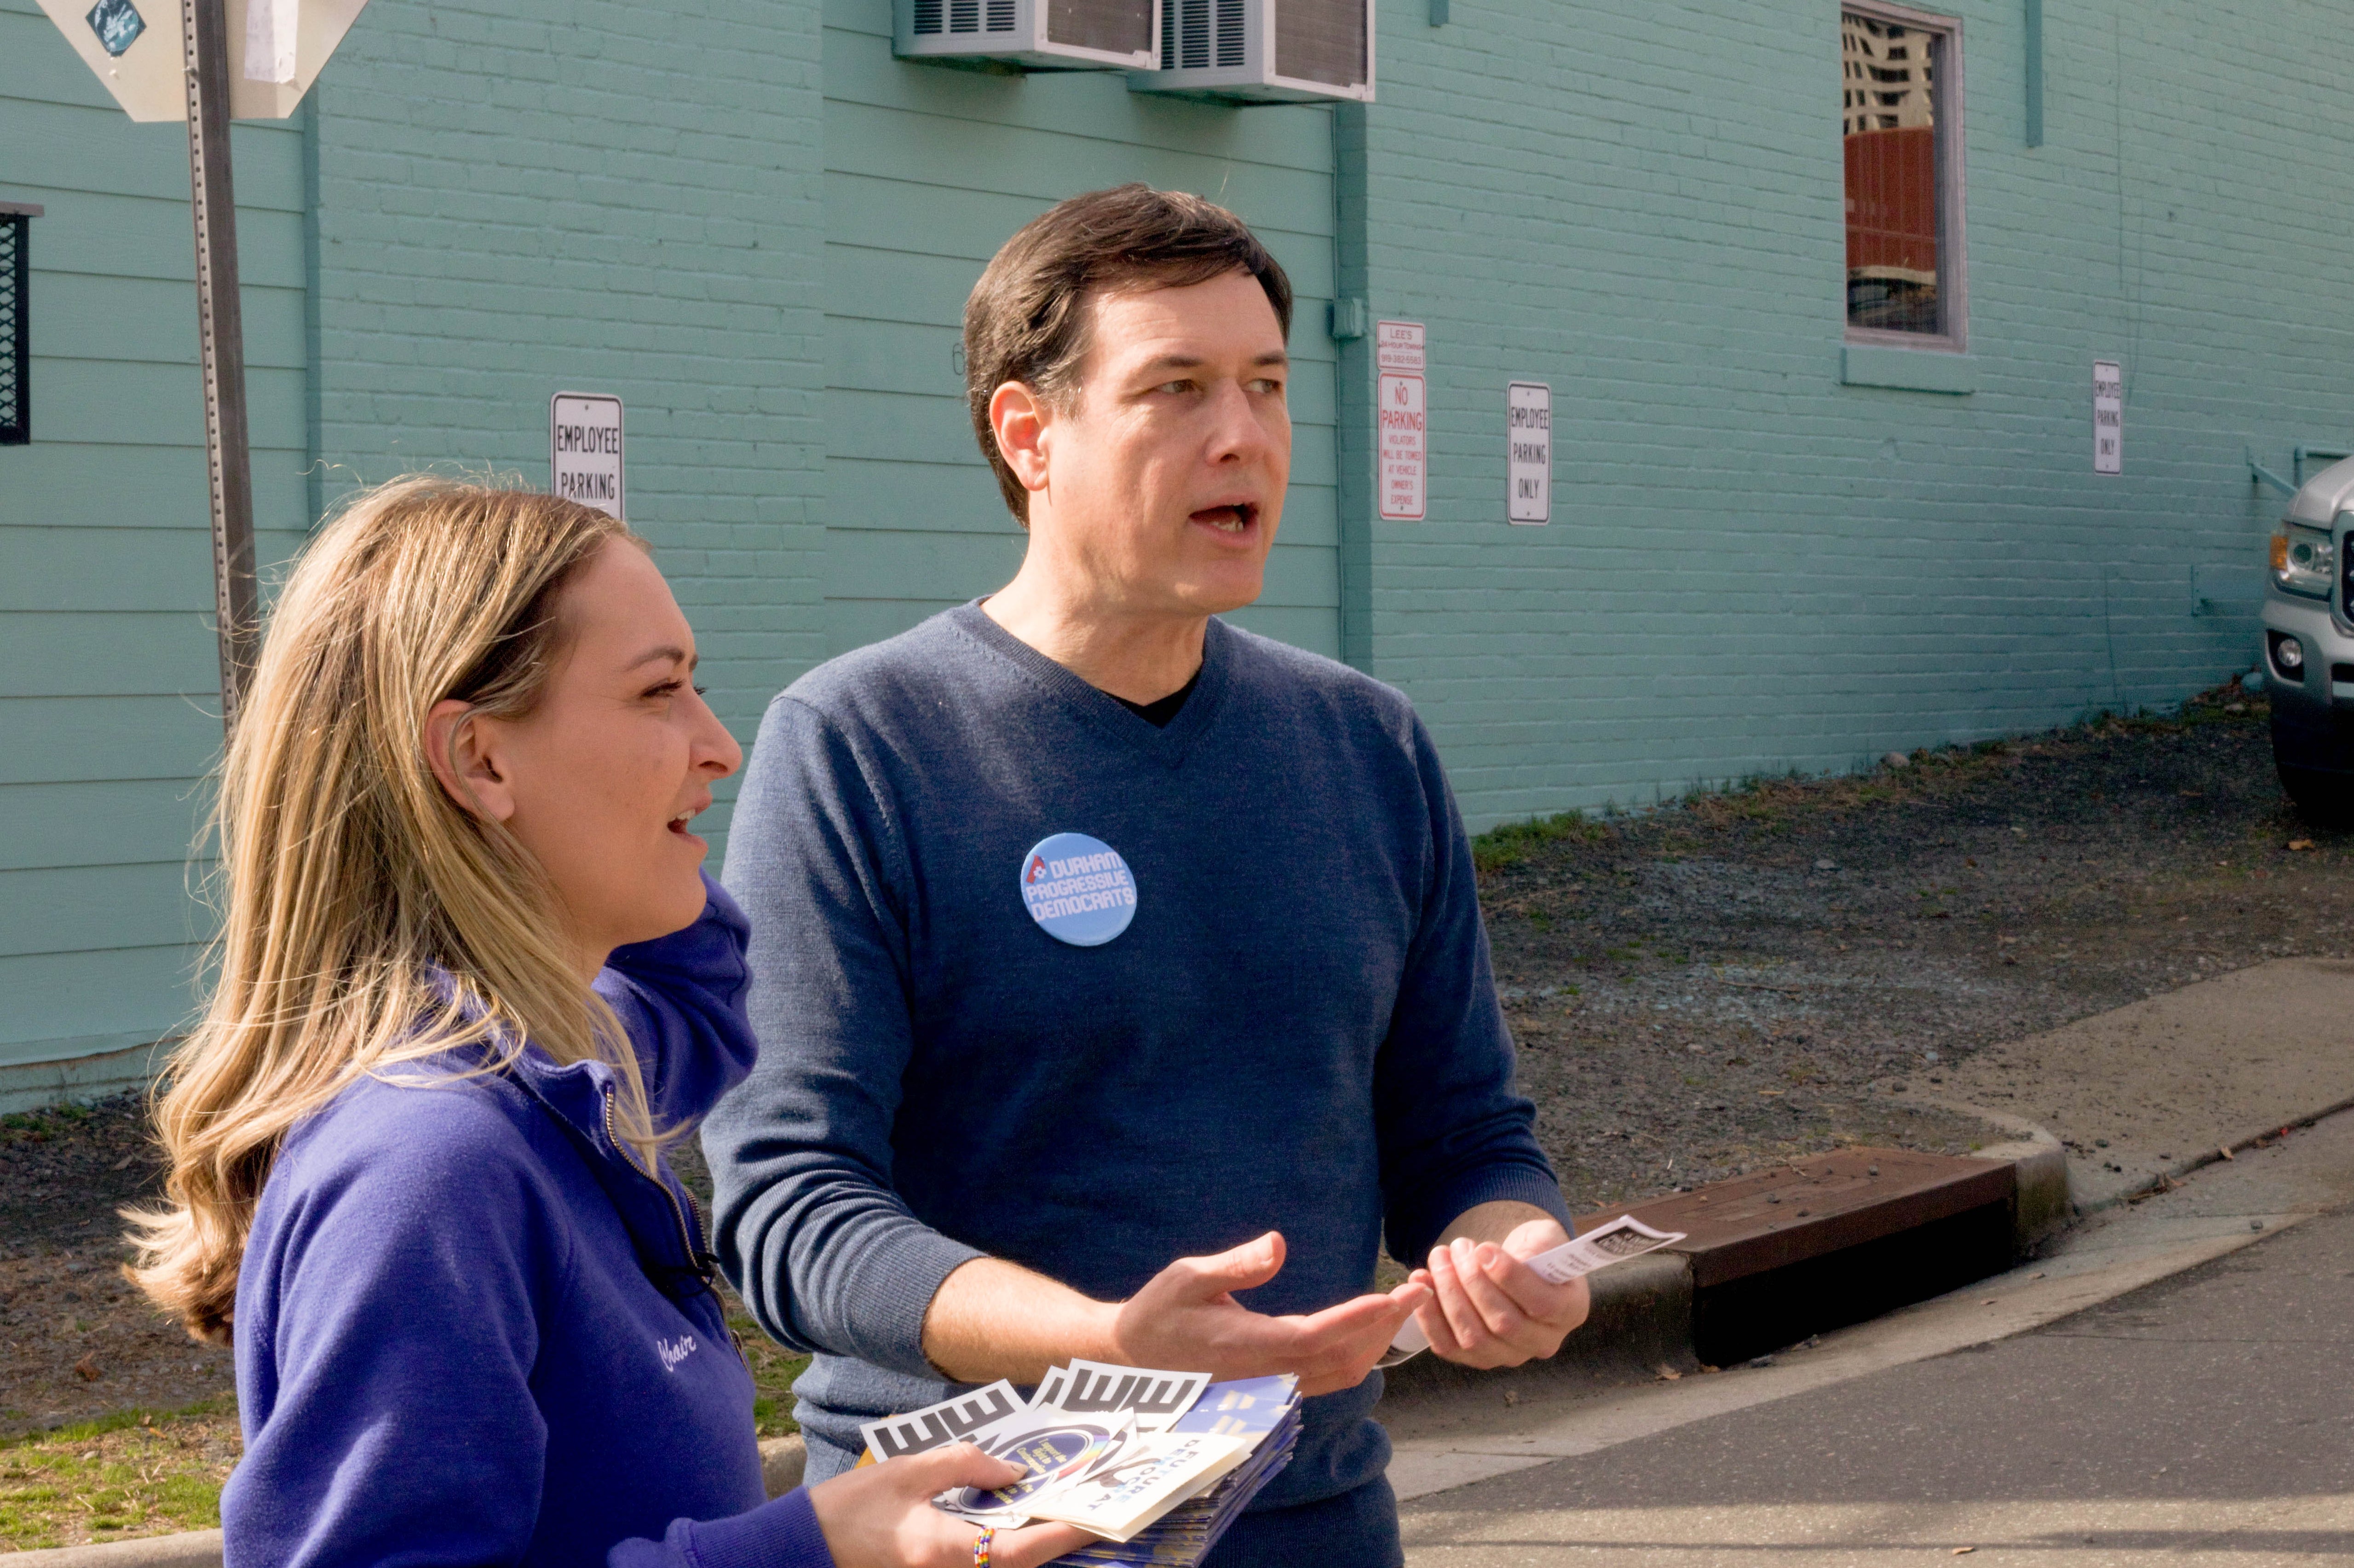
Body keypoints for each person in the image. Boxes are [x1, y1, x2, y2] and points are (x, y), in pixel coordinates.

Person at [706, 185, 1591, 1566]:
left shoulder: (1364, 743)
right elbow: (788, 1207)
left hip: (1310, 1519)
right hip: (975, 1525)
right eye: (1172, 389)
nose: (1239, 435)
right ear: (1028, 434)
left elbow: (1465, 1138)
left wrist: (1511, 1255)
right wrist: (1112, 1342)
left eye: (1264, 385)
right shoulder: (860, 745)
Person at [125, 477, 1089, 1568]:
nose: (720, 745)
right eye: (658, 693)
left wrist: (605, 875)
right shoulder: (432, 1165)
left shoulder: (551, 1073)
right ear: (481, 758)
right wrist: (805, 1546)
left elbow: (700, 993)